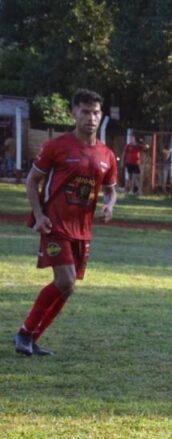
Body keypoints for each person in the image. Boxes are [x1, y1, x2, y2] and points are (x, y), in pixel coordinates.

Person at [13, 89, 118, 356]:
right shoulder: (56, 147)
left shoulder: (107, 155)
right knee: (66, 280)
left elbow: (110, 189)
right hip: (54, 225)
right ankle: (24, 334)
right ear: (74, 114)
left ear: (101, 115)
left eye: (95, 112)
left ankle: (31, 338)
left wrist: (110, 203)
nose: (91, 118)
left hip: (82, 231)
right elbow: (31, 180)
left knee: (67, 288)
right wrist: (38, 215)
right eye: (85, 111)